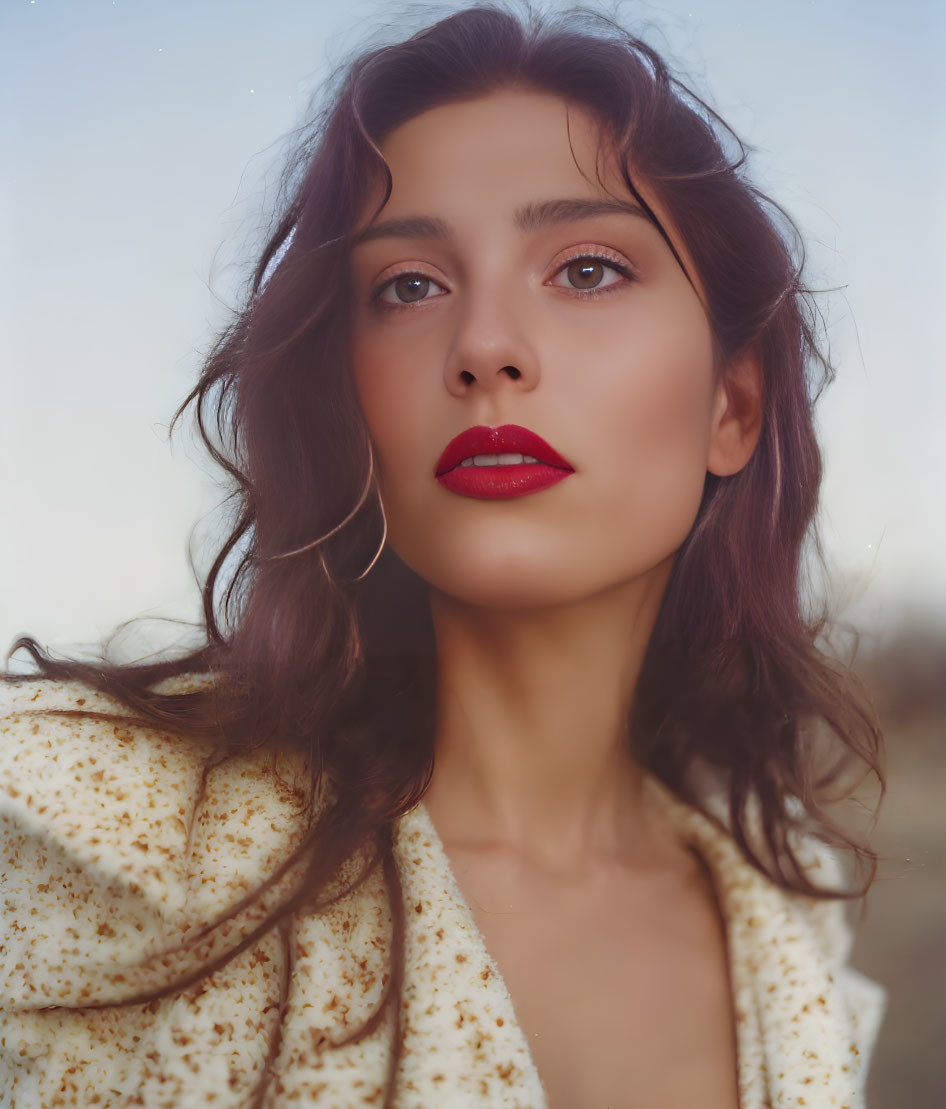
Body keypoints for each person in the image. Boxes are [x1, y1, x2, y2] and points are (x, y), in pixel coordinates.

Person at [0, 4, 886, 1107]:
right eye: (409, 286)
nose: (483, 348)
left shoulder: (790, 913)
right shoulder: (89, 839)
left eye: (588, 269)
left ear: (733, 403)